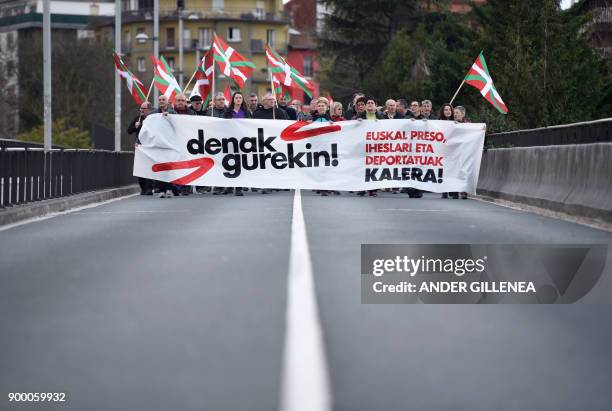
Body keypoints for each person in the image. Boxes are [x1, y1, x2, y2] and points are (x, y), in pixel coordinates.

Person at [221, 91, 252, 196]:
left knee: (239, 164)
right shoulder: (228, 112)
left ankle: (238, 187)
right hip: (230, 141)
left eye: (240, 97)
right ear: (233, 100)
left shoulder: (246, 112)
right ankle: (229, 186)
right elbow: (223, 126)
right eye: (236, 97)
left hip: (242, 142)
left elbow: (251, 126)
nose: (238, 99)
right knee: (229, 163)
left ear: (242, 100)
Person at [127, 101, 154, 195]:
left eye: (143, 109)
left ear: (149, 110)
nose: (141, 110)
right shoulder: (137, 119)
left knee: (150, 168)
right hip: (140, 147)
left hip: (150, 146)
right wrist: (135, 126)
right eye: (140, 108)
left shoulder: (153, 119)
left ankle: (149, 188)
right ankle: (143, 187)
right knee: (141, 169)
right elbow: (129, 131)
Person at [452, 105, 469, 200]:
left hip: (464, 152)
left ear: (463, 114)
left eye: (457, 113)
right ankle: (454, 190)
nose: (455, 115)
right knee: (453, 171)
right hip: (453, 152)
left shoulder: (469, 124)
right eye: (454, 113)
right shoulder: (450, 123)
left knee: (463, 171)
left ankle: (463, 191)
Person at [437, 103, 454, 198]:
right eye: (446, 110)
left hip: (452, 150)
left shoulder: (456, 122)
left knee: (451, 170)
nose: (448, 111)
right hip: (441, 149)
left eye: (449, 109)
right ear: (442, 112)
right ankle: (444, 189)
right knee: (443, 170)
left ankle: (451, 189)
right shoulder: (438, 122)